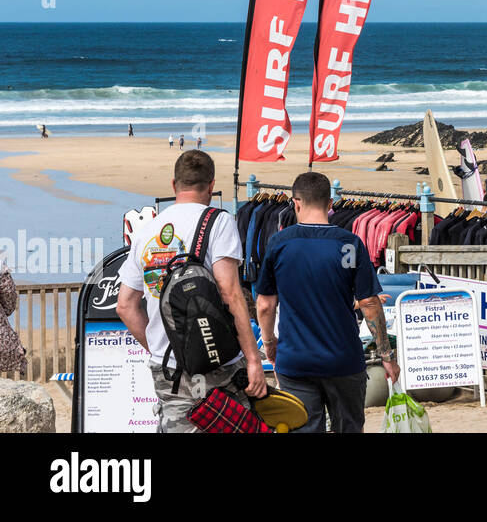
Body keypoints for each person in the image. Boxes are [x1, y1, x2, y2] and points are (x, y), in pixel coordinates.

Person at [116, 150, 266, 432]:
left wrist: (162, 350)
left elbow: (124, 306)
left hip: (168, 368)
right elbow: (230, 291)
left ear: (174, 185)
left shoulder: (147, 232)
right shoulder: (218, 221)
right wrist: (254, 360)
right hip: (218, 361)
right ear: (211, 185)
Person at [256, 171, 397, 433]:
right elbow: (369, 303)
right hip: (344, 360)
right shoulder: (350, 244)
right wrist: (386, 355)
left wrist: (269, 344)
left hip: (295, 362)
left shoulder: (279, 244)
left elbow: (265, 305)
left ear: (295, 203)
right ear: (330, 204)